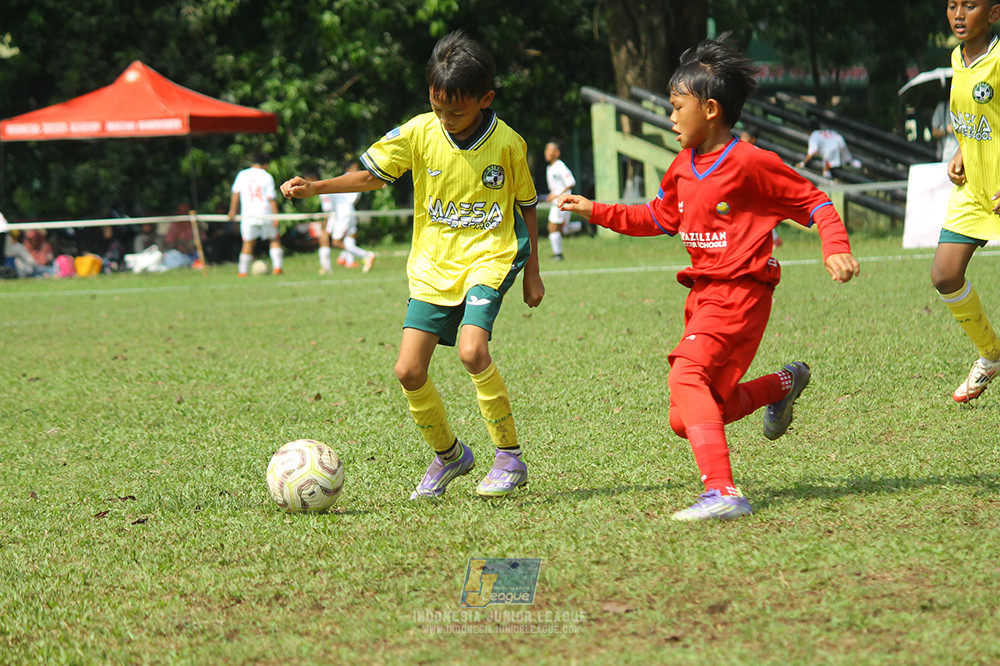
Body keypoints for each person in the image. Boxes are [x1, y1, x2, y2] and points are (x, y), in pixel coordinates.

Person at [557, 37, 860, 521]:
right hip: (703, 296)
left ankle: (723, 492)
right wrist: (595, 210)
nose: (671, 117)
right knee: (689, 416)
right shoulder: (682, 166)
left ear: (711, 109)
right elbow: (655, 218)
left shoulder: (751, 163)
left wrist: (836, 246)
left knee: (686, 375)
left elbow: (815, 201)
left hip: (741, 293)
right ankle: (784, 383)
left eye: (678, 107)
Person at [282, 31, 544, 499]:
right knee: (408, 370)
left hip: (490, 255)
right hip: (432, 265)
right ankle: (450, 456)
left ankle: (509, 457)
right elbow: (371, 177)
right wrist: (317, 187)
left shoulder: (508, 144)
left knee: (472, 351)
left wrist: (534, 273)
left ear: (485, 99)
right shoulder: (419, 132)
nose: (446, 119)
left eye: (456, 112)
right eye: (437, 107)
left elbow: (527, 204)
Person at [930, 0, 1000, 403]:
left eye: (970, 6)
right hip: (975, 189)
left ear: (993, 14)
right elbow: (978, 119)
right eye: (952, 5)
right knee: (945, 274)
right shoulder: (957, 58)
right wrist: (961, 150)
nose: (958, 14)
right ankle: (992, 354)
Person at [317, 159, 375, 273]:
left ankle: (365, 255)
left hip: (342, 214)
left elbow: (328, 208)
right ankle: (347, 259)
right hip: (348, 212)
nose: (358, 170)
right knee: (349, 238)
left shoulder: (347, 179)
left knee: (336, 242)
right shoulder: (350, 179)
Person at [228, 152, 282, 276]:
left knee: (248, 242)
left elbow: (235, 193)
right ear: (266, 164)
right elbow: (271, 197)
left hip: (248, 214)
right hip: (265, 213)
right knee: (274, 238)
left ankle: (243, 272)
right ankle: (277, 268)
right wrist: (275, 215)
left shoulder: (242, 175)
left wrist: (232, 211)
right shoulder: (267, 176)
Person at [739, 127, 782, 247]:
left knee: (757, 215)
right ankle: (774, 239)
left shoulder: (756, 153)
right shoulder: (740, 151)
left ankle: (773, 240)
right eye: (741, 136)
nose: (742, 139)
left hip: (756, 189)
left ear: (753, 139)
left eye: (745, 137)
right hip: (747, 189)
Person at [544, 139, 580, 260]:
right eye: (546, 150)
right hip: (556, 201)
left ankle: (558, 254)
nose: (546, 152)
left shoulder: (560, 166)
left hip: (561, 201)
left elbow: (571, 182)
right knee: (561, 229)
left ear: (557, 153)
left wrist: (556, 194)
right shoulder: (550, 167)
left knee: (552, 226)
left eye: (549, 150)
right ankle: (581, 225)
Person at [932, 98, 960, 163]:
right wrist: (946, 131)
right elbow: (934, 132)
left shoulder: (965, 105)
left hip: (963, 154)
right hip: (948, 155)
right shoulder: (942, 107)